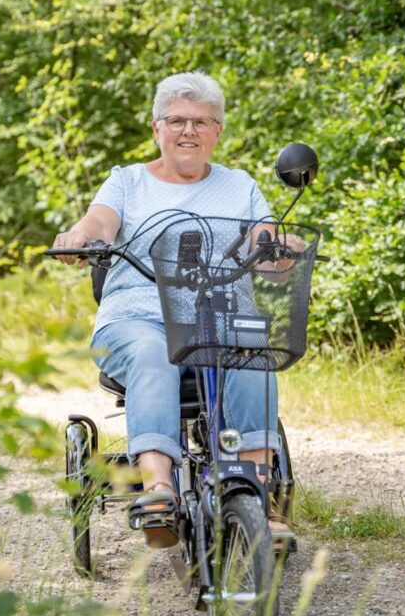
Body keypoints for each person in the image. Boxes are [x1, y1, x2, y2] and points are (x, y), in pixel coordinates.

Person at [52, 72, 288, 548]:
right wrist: (82, 235)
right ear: (156, 128)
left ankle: (260, 496)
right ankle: (158, 490)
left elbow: (264, 244)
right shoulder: (128, 181)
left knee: (252, 351)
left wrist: (277, 247)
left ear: (218, 132)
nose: (189, 131)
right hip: (136, 319)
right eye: (177, 120)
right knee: (152, 353)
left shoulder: (239, 185)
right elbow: (100, 219)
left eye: (202, 122)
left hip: (215, 320)